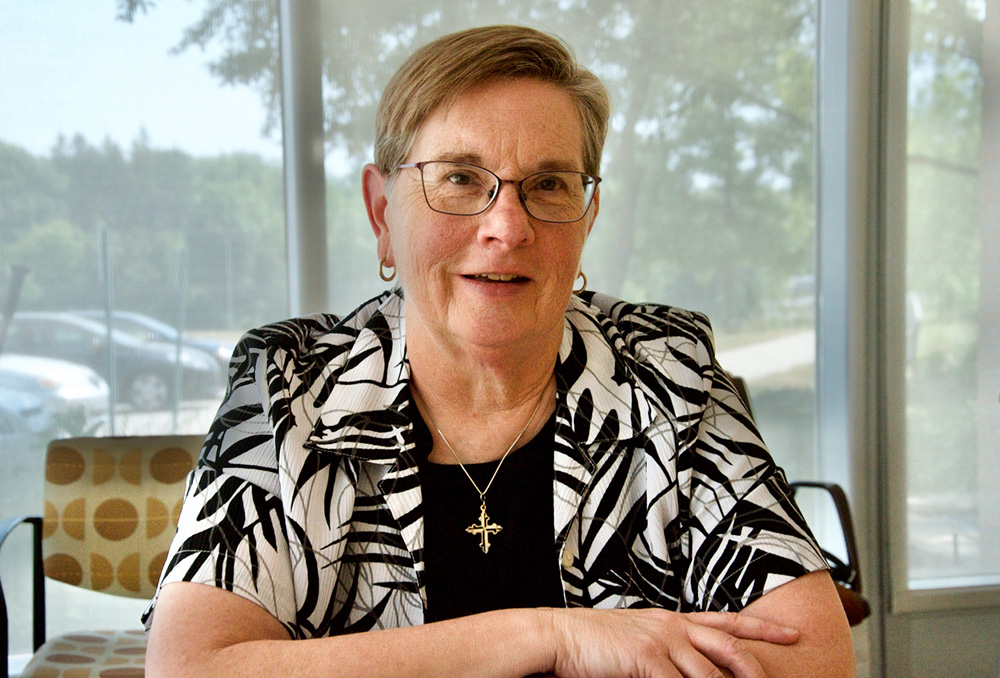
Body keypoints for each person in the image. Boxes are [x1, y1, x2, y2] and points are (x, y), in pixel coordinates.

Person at [144, 25, 854, 678]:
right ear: (382, 213)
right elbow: (190, 669)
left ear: (588, 216)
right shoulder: (288, 389)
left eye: (549, 183)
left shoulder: (671, 373)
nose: (507, 227)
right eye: (459, 177)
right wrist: (552, 636)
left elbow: (816, 657)